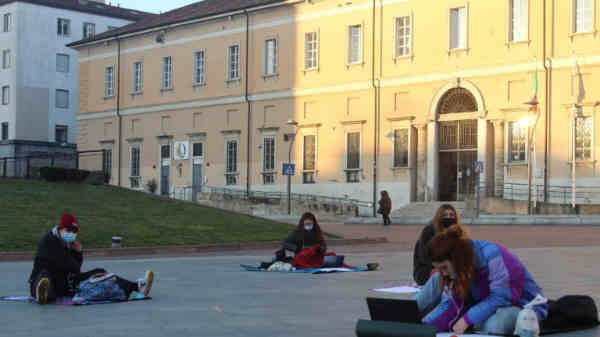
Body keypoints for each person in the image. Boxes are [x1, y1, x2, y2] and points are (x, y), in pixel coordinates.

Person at [420, 226, 548, 335]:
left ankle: (476, 325)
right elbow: (449, 305)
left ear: (457, 258)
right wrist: (424, 328)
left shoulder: (492, 255)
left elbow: (501, 297)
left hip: (522, 308)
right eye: (439, 268)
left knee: (498, 323)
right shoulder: (454, 272)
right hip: (486, 308)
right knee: (437, 280)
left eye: (444, 267)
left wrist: (467, 319)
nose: (443, 273)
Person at [29, 213, 154, 305]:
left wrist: (78, 253)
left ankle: (136, 286)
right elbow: (69, 265)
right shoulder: (49, 241)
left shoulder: (68, 244)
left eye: (74, 231)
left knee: (100, 272)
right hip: (49, 280)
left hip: (66, 283)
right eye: (69, 230)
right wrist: (74, 253)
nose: (71, 234)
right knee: (44, 277)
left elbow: (76, 269)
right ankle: (42, 294)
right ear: (60, 228)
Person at [413, 204, 462, 286]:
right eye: (445, 215)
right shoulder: (429, 231)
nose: (448, 218)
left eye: (451, 215)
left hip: (449, 268)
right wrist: (443, 264)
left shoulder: (456, 232)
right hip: (426, 269)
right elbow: (423, 257)